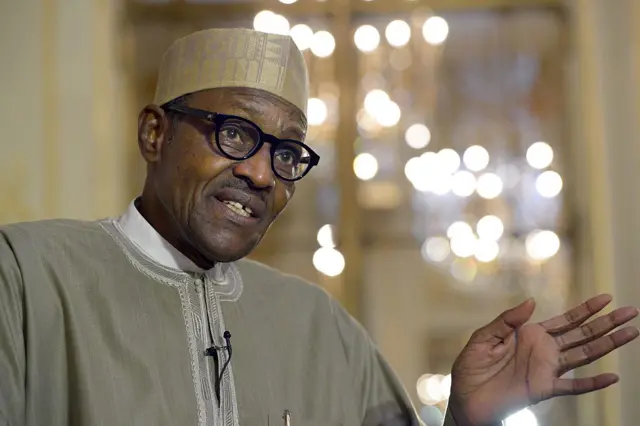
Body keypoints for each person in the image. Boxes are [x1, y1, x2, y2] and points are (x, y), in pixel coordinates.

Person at [0, 28, 637, 426]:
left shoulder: (318, 325)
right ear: (155, 133)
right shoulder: (28, 277)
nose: (260, 174)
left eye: (285, 154)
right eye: (234, 134)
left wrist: (468, 421)